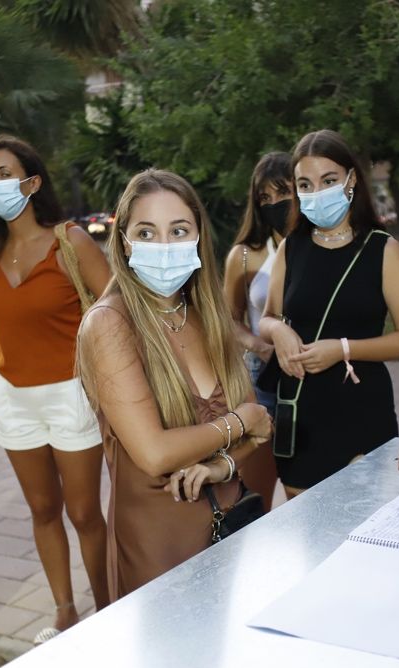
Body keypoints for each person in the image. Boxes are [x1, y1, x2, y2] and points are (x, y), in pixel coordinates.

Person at [77, 169, 273, 599]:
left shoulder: (206, 312)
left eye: (178, 230)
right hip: (159, 546)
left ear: (198, 236)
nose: (164, 246)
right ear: (124, 241)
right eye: (146, 232)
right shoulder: (110, 324)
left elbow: (257, 431)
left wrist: (222, 464)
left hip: (231, 523)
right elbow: (154, 452)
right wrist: (240, 422)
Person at [0, 135, 111, 641]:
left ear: (32, 182)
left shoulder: (70, 240)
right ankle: (64, 610)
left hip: (70, 394)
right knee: (42, 509)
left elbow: (114, 305)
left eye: (5, 173)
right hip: (12, 398)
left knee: (83, 512)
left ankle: (106, 605)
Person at [257, 130, 399, 498]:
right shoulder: (292, 247)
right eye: (305, 183)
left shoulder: (384, 250)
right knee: (308, 534)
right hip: (301, 412)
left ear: (351, 180)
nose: (317, 192)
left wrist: (343, 349)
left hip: (361, 408)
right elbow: (267, 317)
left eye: (328, 180)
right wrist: (279, 332)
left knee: (367, 525)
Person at [222, 152, 292, 510]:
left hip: (316, 377)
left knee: (309, 490)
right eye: (265, 198)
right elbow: (228, 320)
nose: (275, 204)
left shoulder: (321, 248)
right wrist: (260, 346)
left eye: (283, 193)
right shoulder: (245, 256)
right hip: (262, 379)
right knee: (256, 495)